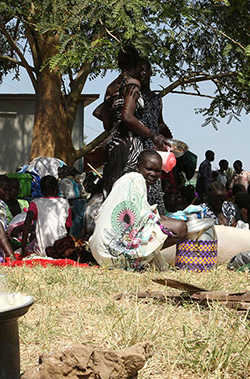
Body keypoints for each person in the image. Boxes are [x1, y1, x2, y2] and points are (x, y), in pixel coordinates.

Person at [89, 150, 187, 270]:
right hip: (111, 251)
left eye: (157, 171)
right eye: (149, 169)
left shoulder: (128, 180)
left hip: (100, 251)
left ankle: (138, 260)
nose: (153, 174)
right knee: (180, 228)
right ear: (137, 167)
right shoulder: (136, 179)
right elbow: (141, 217)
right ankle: (135, 261)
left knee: (164, 221)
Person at [100, 46, 168, 196]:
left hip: (114, 144)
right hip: (130, 145)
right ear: (136, 66)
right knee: (132, 195)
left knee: (114, 193)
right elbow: (127, 116)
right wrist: (152, 135)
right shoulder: (132, 84)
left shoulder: (111, 87)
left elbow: (106, 123)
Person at [21, 176, 71, 256]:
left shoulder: (35, 203)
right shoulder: (64, 203)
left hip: (42, 251)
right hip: (61, 250)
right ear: (56, 189)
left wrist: (23, 246)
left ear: (41, 190)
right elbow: (68, 225)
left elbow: (27, 224)